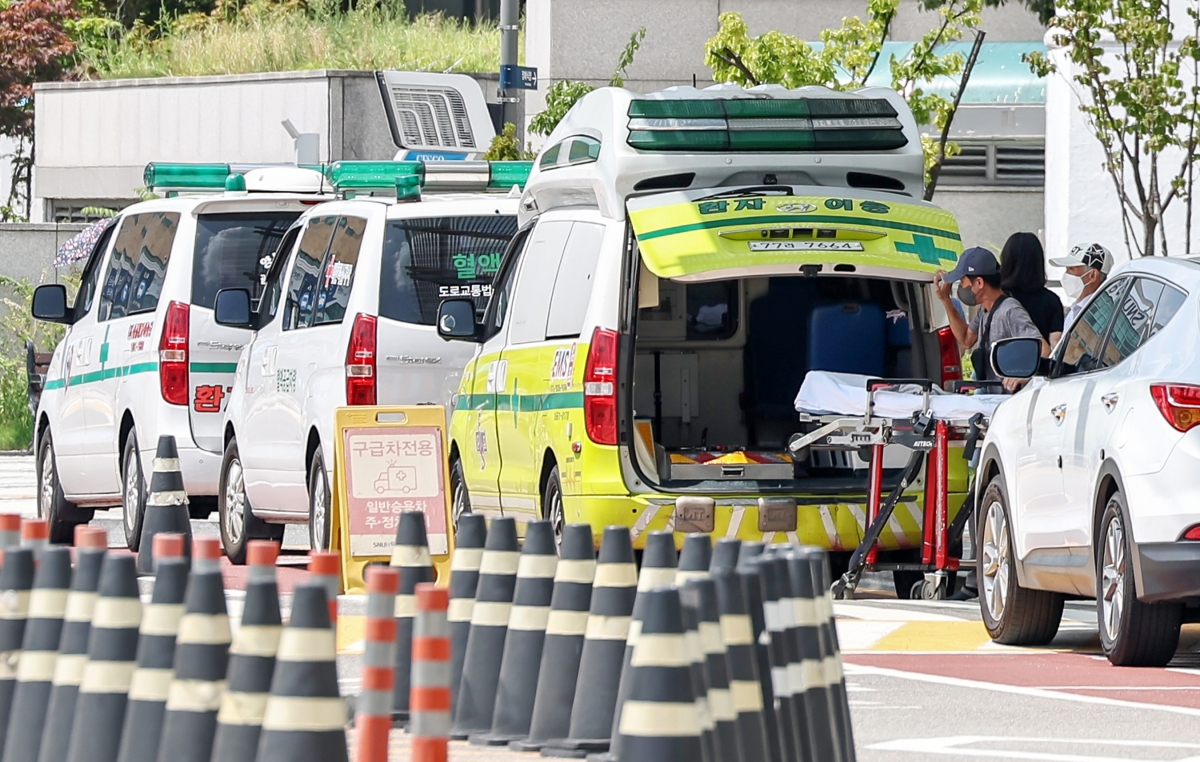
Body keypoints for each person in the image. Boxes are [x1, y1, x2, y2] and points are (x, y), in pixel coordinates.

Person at [935, 246, 1048, 392]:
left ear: (979, 283)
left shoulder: (1010, 311)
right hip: (990, 394)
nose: (961, 287)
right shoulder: (985, 310)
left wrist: (1024, 375)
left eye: (963, 281)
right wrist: (945, 300)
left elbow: (1044, 350)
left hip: (1007, 399)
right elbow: (966, 340)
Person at [1000, 232, 1064, 346]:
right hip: (1038, 362)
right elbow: (1055, 344)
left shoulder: (998, 297)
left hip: (998, 362)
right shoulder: (1052, 301)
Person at [1050, 243, 1114, 330]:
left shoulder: (1099, 315)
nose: (1066, 275)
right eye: (1067, 269)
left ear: (1092, 275)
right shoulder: (1076, 309)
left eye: (1071, 269)